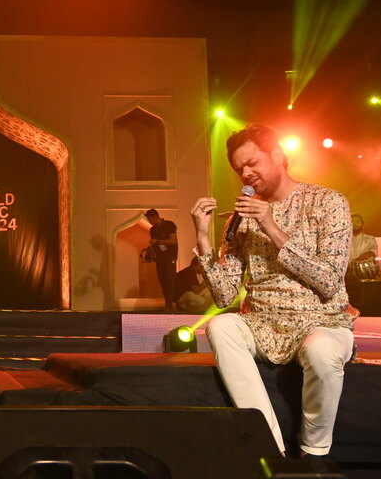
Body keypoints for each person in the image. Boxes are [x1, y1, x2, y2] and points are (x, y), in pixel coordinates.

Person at [190, 124, 354, 458]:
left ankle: (314, 451)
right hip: (263, 324)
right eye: (239, 169)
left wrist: (271, 226)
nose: (245, 173)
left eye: (252, 163)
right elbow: (224, 296)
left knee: (322, 353)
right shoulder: (242, 218)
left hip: (321, 321)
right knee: (221, 326)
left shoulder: (329, 202)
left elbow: (329, 281)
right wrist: (204, 237)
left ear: (278, 156)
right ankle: (270, 448)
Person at [144, 209, 178, 311]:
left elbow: (173, 241)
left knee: (170, 281)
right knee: (162, 281)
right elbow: (155, 244)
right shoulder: (153, 230)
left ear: (155, 217)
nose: (150, 222)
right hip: (160, 258)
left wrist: (157, 241)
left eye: (150, 220)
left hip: (170, 257)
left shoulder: (169, 225)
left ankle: (171, 304)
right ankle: (167, 304)